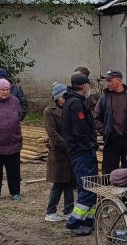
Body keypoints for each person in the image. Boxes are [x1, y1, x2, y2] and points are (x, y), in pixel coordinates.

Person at [63, 73, 98, 236]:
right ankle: (75, 222)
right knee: (88, 186)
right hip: (81, 153)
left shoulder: (74, 102)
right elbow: (80, 130)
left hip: (80, 152)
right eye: (88, 86)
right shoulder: (76, 104)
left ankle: (88, 220)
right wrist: (89, 145)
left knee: (91, 186)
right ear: (84, 87)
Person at [94, 70, 127, 174]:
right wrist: (105, 131)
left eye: (110, 80)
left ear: (119, 80)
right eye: (106, 81)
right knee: (108, 171)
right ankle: (108, 190)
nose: (107, 83)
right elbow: (96, 118)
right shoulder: (104, 98)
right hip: (112, 140)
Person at [43, 83, 75, 222]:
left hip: (70, 152)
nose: (65, 99)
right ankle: (51, 211)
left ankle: (69, 210)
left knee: (69, 182)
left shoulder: (69, 108)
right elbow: (53, 133)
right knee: (58, 183)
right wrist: (67, 145)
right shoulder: (49, 111)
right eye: (63, 96)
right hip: (58, 153)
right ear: (57, 97)